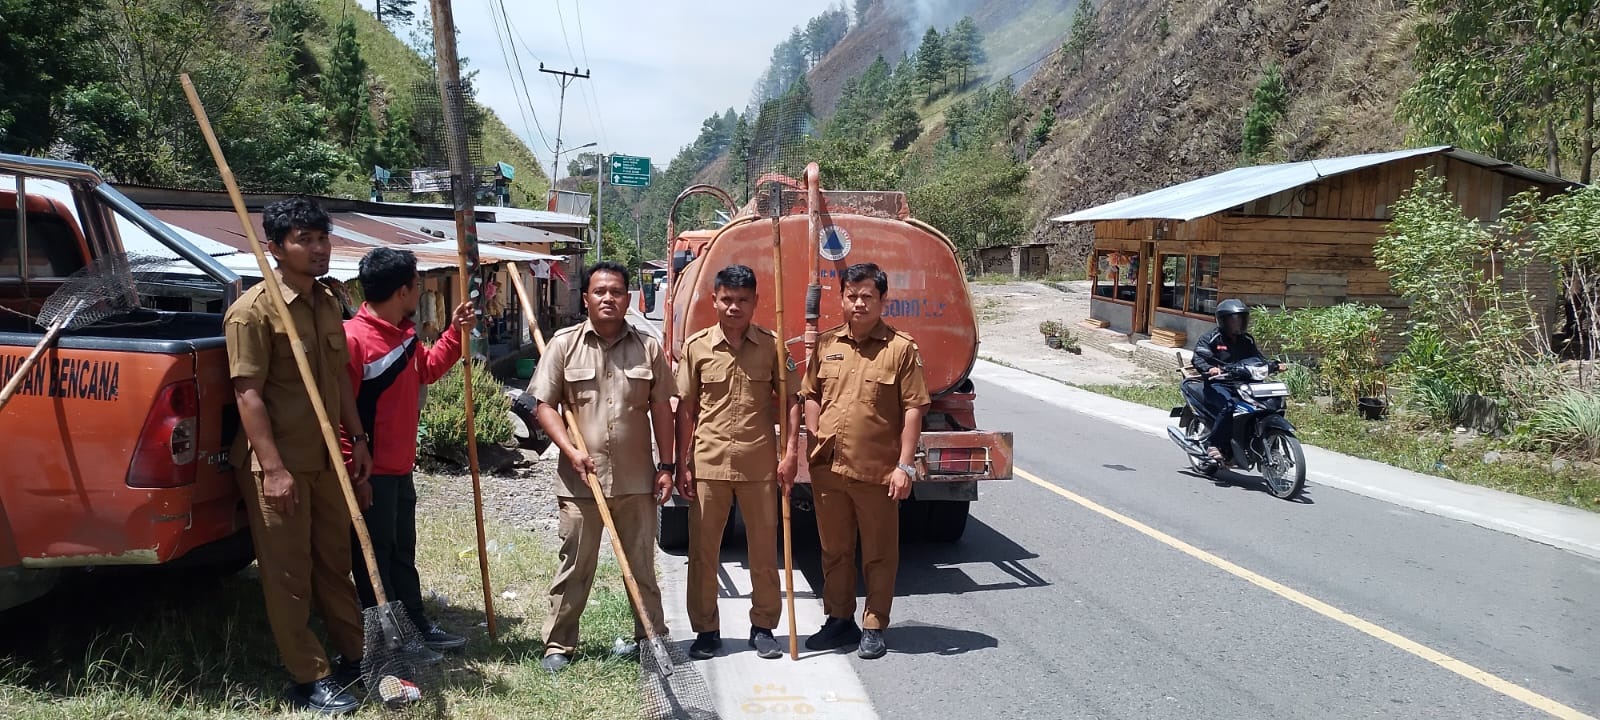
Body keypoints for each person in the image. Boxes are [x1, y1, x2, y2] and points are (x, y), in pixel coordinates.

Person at [226, 197, 372, 715]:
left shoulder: (328, 301)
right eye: (303, 240)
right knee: (289, 574)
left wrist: (358, 441)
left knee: (334, 562)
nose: (317, 249)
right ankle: (309, 678)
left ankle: (358, 657)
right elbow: (249, 394)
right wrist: (274, 470)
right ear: (276, 248)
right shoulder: (252, 312)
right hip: (279, 463)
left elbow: (338, 381)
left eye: (322, 238)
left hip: (328, 457)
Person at [527, 260, 676, 673]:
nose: (608, 298)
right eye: (600, 292)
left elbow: (662, 408)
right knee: (575, 564)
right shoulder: (563, 344)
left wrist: (667, 464)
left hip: (636, 480)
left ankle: (651, 638)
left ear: (628, 298)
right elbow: (544, 407)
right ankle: (559, 645)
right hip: (580, 481)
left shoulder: (648, 347)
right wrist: (569, 449)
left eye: (616, 291)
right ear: (587, 298)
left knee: (641, 566)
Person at [342, 247, 475, 654]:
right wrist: (355, 474)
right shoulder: (354, 341)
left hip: (400, 467)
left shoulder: (404, 335)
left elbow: (429, 368)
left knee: (402, 549)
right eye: (417, 284)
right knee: (375, 556)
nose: (419, 291)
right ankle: (385, 635)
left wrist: (456, 332)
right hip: (370, 472)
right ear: (403, 290)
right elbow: (341, 415)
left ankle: (416, 623)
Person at [799, 262, 930, 660]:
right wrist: (815, 434)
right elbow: (810, 393)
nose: (858, 303)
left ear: (882, 300)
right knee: (834, 549)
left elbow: (913, 409)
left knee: (878, 551)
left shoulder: (900, 349)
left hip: (876, 470)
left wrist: (904, 466)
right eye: (852, 296)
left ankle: (874, 624)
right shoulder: (825, 344)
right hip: (829, 468)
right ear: (841, 298)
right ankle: (839, 619)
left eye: (867, 296)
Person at [674, 264, 801, 661]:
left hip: (758, 463)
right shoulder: (697, 347)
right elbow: (686, 408)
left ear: (755, 302)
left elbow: (791, 401)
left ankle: (763, 627)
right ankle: (707, 630)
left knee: (763, 551)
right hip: (708, 462)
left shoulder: (772, 346)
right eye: (727, 299)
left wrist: (791, 452)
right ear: (714, 300)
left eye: (742, 300)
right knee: (704, 552)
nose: (734, 307)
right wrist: (682, 462)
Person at [1190, 299, 1286, 462]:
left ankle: (1268, 439)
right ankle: (1215, 444)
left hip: (1245, 383)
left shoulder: (1246, 340)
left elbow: (1258, 359)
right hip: (1218, 383)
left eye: (1241, 319)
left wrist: (1273, 365)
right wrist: (1209, 369)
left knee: (1274, 402)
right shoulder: (1211, 338)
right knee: (1228, 406)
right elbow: (1198, 358)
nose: (1238, 323)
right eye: (1233, 319)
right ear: (1223, 320)